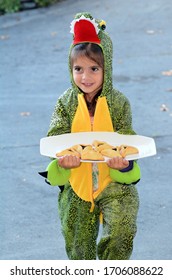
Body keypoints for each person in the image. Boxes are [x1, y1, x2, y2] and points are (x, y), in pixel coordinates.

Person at [39, 12, 141, 260]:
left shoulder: (119, 103)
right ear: (70, 68)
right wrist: (62, 161)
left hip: (114, 183)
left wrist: (124, 165)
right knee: (77, 243)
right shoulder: (65, 103)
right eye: (78, 69)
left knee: (121, 232)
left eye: (94, 68)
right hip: (77, 184)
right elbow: (56, 139)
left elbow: (127, 140)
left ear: (108, 67)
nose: (85, 77)